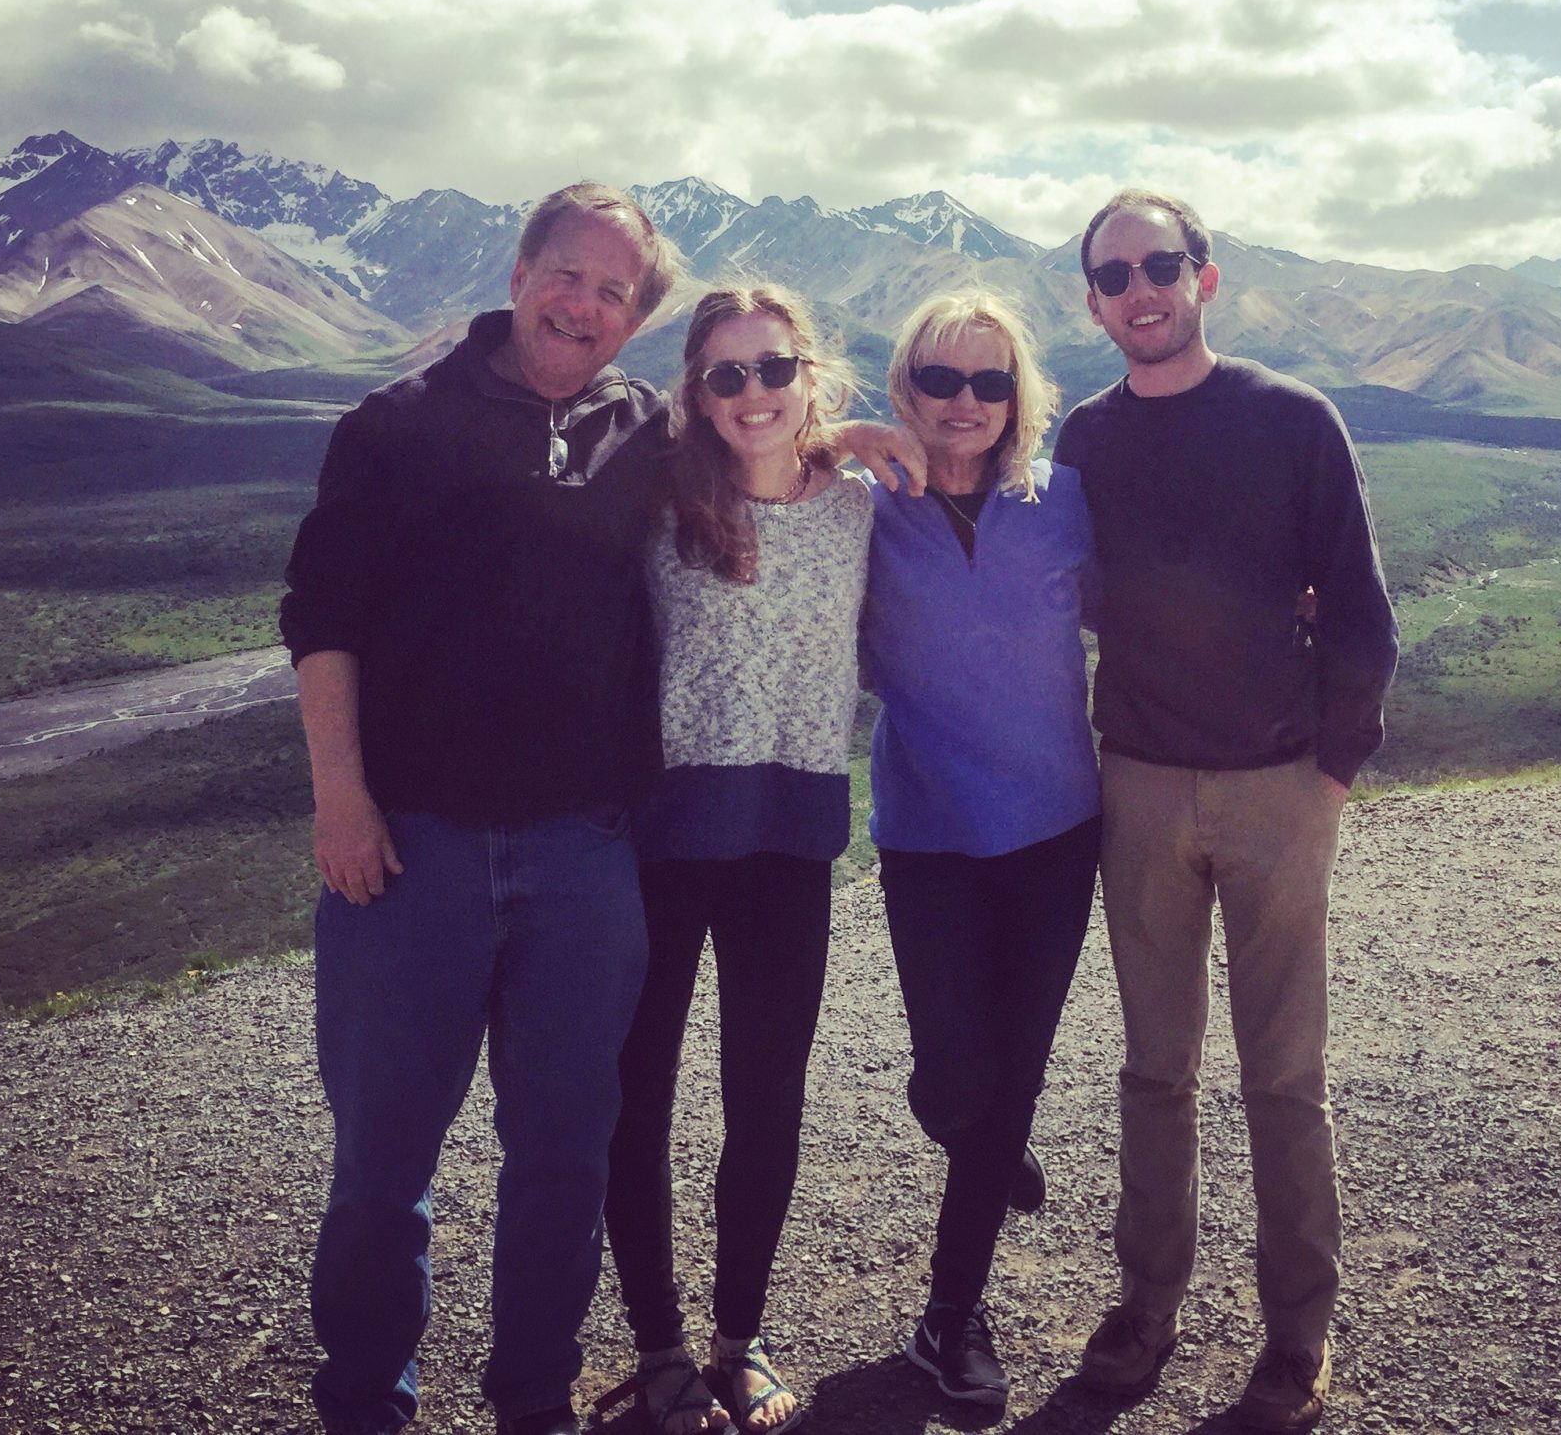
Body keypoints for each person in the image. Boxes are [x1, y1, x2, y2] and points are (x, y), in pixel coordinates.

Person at [281, 188, 921, 1435]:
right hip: (416, 840)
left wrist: (838, 435)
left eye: (613, 291)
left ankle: (534, 1402)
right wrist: (340, 798)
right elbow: (324, 613)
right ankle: (364, 1405)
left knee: (565, 1156)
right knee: (383, 1168)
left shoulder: (640, 433)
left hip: (588, 846)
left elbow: (766, 449)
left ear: (635, 320)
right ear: (519, 272)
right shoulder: (395, 424)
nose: (582, 304)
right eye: (565, 275)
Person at [1056, 188, 1398, 1433]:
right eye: (1114, 276)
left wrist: (1331, 774)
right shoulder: (1084, 440)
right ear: (1091, 304)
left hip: (1275, 788)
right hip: (1137, 782)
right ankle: (1148, 1305)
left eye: (1161, 264)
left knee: (1283, 1075)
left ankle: (1296, 1333)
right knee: (1154, 1068)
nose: (1139, 289)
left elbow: (1361, 608)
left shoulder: (1292, 420)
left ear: (1206, 277)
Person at [599, 285, 873, 1435]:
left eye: (774, 367)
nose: (753, 391)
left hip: (788, 839)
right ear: (695, 393)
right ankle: (658, 1345)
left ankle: (737, 1336)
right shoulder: (656, 498)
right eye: (726, 374)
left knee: (767, 1101)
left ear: (809, 371)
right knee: (638, 1100)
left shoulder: (862, 505)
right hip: (658, 840)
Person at [858, 290, 1101, 1416]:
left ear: (1018, 399)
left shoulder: (1064, 503)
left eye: (990, 382)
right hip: (930, 837)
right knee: (958, 1078)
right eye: (942, 380)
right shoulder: (858, 511)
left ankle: (948, 1318)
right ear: (905, 385)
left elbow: (1157, 594)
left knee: (1010, 1076)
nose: (965, 403)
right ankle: (983, 1137)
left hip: (1056, 831)